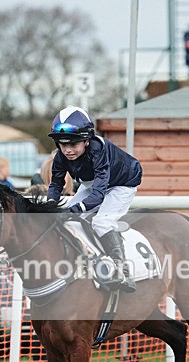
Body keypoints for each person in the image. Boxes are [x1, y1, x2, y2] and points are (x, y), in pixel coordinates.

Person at [47, 105, 142, 293]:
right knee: (70, 222)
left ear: (87, 141)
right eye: (63, 144)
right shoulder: (60, 156)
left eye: (73, 144)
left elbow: (98, 195)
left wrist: (70, 210)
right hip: (93, 182)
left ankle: (122, 271)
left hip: (122, 183)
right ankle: (86, 263)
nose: (67, 150)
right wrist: (49, 207)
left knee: (101, 222)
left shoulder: (98, 150)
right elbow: (56, 185)